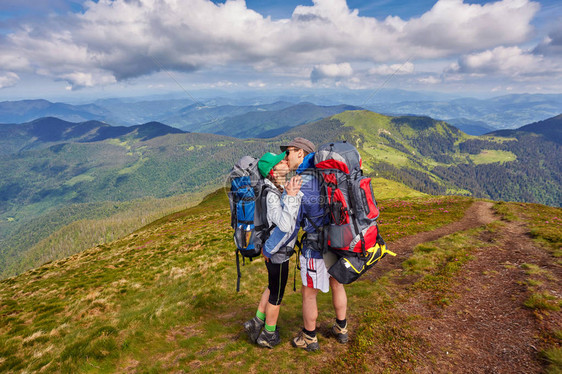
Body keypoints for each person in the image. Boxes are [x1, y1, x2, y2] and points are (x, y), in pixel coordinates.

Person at [281, 137, 349, 351]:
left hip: (314, 247)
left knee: (309, 293)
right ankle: (341, 329)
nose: (286, 157)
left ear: (301, 153)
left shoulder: (300, 182)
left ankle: (309, 338)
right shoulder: (329, 176)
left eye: (288, 152)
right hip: (338, 240)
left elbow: (293, 221)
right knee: (337, 284)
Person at [243, 151, 303, 348]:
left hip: (274, 251)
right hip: (277, 253)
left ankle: (257, 322)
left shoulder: (274, 189)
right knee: (277, 295)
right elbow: (284, 225)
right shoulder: (271, 195)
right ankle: (268, 334)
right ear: (272, 171)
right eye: (281, 162)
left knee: (272, 286)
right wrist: (292, 197)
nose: (286, 162)